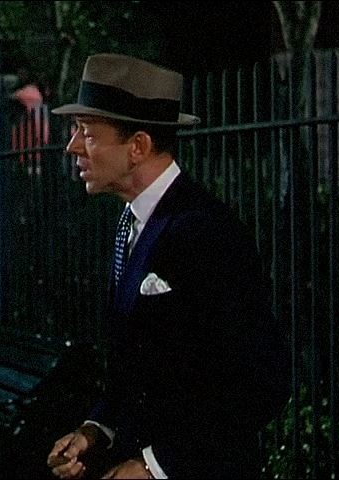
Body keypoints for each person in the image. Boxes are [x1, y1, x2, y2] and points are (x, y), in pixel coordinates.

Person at [46, 53, 290, 479]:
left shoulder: (204, 231)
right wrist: (96, 430)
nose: (73, 147)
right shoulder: (131, 222)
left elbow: (260, 384)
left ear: (138, 147)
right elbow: (139, 372)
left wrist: (155, 465)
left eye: (88, 133)